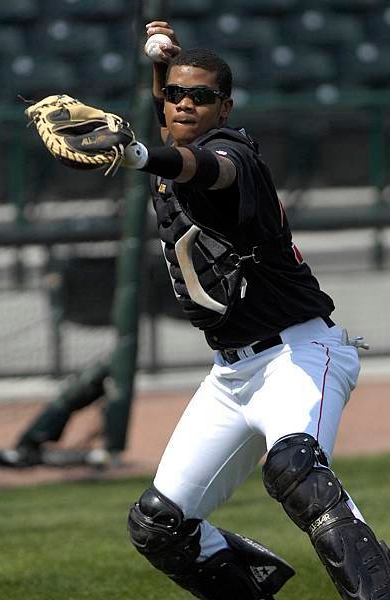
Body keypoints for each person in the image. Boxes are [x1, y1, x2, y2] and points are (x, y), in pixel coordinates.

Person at [121, 19, 390, 600]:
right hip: (230, 374)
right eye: (176, 95)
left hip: (298, 351)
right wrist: (158, 66)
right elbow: (170, 133)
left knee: (296, 469)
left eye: (203, 97)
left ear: (226, 108)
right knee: (159, 527)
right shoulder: (173, 142)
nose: (186, 104)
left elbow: (204, 170)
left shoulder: (234, 155)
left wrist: (139, 153)